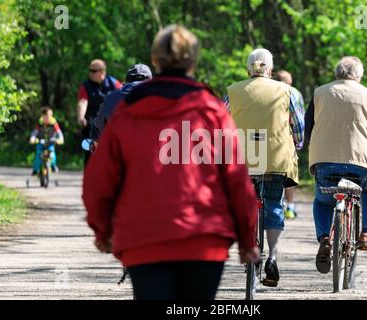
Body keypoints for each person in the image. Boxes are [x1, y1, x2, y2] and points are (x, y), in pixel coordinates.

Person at [83, 25, 260, 300]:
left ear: (156, 61)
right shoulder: (212, 111)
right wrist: (247, 240)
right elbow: (237, 179)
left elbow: (99, 181)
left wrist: (103, 231)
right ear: (193, 60)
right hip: (204, 240)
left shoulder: (128, 113)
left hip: (145, 239)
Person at [304, 56, 367, 274]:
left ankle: (325, 237)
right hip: (361, 164)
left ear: (337, 73)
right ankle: (366, 232)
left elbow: (307, 128)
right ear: (359, 75)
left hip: (325, 161)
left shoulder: (319, 93)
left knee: (323, 201)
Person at [225, 49, 304, 287]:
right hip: (275, 158)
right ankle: (272, 257)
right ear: (270, 69)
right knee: (274, 205)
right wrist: (298, 143)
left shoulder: (233, 91)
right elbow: (299, 126)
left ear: (248, 69)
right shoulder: (288, 91)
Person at [90, 63, 153, 142]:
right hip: (153, 149)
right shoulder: (159, 96)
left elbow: (97, 128)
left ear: (127, 80)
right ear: (150, 80)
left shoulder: (110, 98)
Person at [76, 59, 122, 166]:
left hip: (111, 125)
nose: (90, 73)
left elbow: (123, 100)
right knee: (90, 155)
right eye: (90, 70)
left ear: (102, 72)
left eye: (93, 71)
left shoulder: (114, 83)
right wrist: (81, 117)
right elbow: (82, 102)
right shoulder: (86, 85)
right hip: (92, 125)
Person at [274, 70, 305, 220]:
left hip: (268, 137)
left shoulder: (269, 90)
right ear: (290, 82)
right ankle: (290, 207)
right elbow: (300, 117)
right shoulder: (294, 93)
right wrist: (299, 141)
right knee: (290, 174)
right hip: (288, 137)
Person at [29, 106, 64, 175]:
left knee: (52, 155)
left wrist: (60, 139)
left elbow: (59, 133)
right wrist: (32, 138)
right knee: (38, 156)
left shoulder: (54, 124)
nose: (47, 118)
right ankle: (36, 169)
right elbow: (35, 132)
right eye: (45, 116)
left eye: (49, 116)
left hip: (50, 143)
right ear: (42, 116)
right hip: (40, 142)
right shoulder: (40, 123)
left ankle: (53, 165)